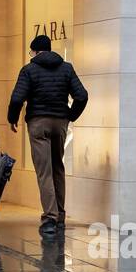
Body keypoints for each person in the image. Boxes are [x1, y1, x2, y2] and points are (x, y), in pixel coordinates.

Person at [6, 34, 89, 236]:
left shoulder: (29, 70)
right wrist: (70, 116)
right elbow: (82, 95)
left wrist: (12, 118)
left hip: (38, 123)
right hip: (60, 122)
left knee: (45, 171)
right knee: (57, 167)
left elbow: (17, 98)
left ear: (34, 51)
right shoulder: (66, 68)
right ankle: (60, 215)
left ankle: (50, 219)